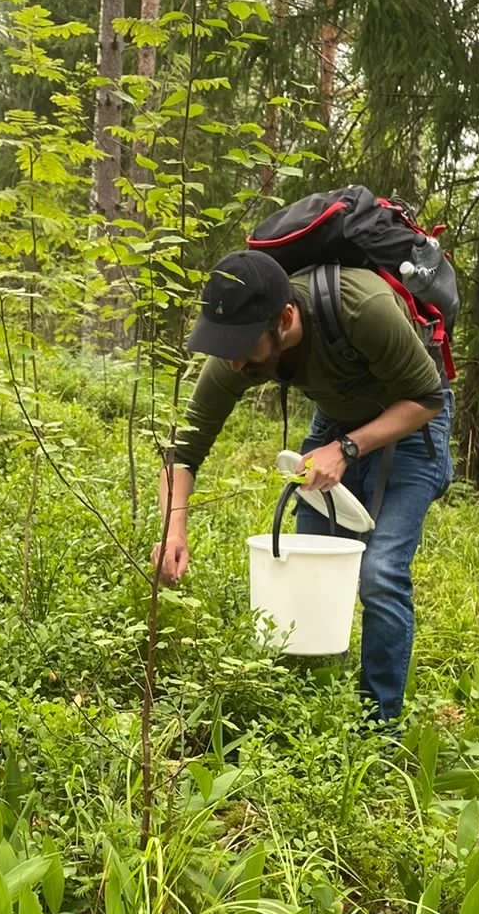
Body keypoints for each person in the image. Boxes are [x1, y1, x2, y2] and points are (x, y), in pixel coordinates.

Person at [154, 249, 453, 725]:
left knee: (380, 573)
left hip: (411, 424)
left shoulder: (362, 307)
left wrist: (348, 449)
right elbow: (182, 449)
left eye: (242, 348)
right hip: (337, 419)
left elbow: (427, 398)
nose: (232, 364)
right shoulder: (239, 348)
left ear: (286, 319)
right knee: (306, 563)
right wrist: (174, 529)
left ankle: (379, 725)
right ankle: (306, 717)